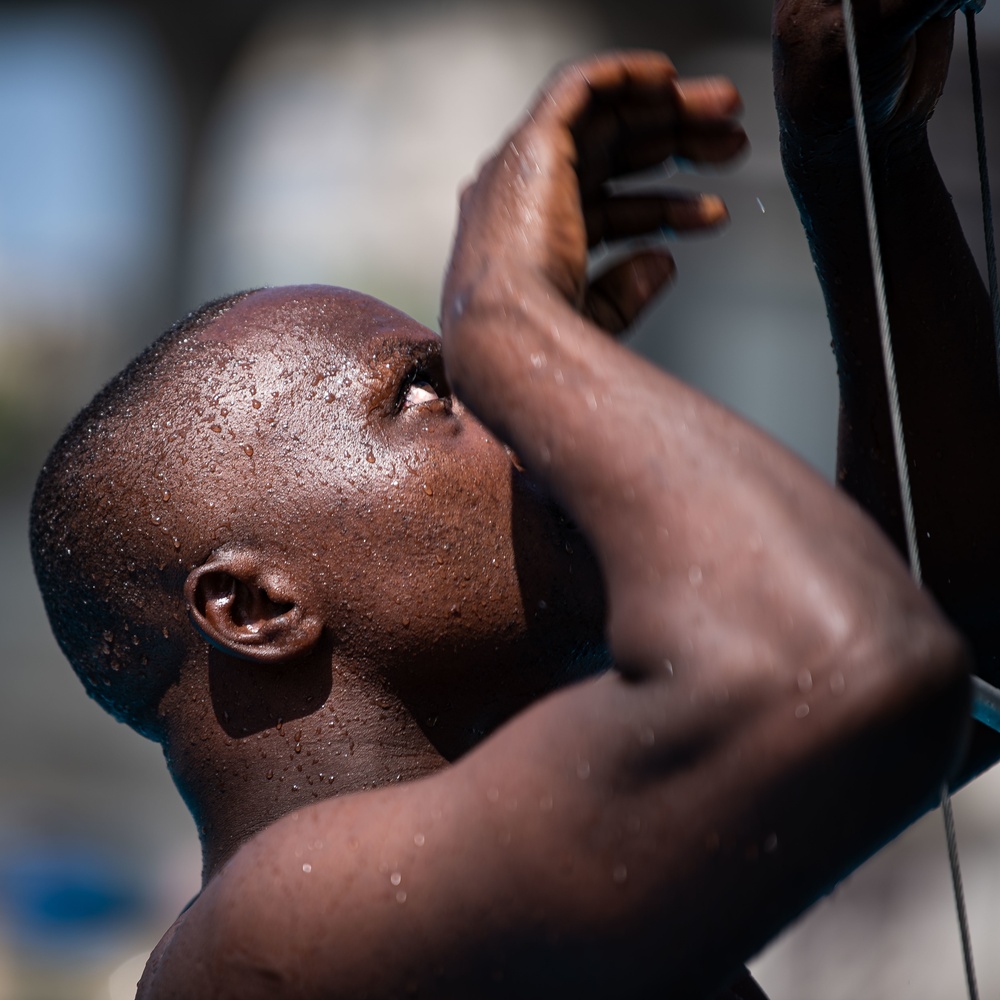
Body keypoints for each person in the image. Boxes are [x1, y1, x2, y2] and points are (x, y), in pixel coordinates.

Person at [26, 0, 1000, 996]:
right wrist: (502, 315)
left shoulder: (566, 842)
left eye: (479, 374)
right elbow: (856, 661)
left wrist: (855, 154)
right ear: (257, 605)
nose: (517, 411)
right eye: (428, 389)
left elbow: (950, 625)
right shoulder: (256, 940)